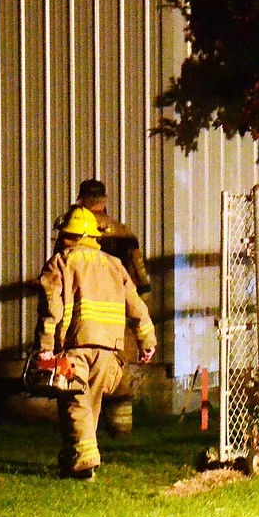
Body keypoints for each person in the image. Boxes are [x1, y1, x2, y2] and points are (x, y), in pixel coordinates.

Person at [34, 207, 156, 480]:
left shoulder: (61, 263)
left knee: (74, 401)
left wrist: (44, 346)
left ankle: (87, 459)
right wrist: (147, 340)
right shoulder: (113, 264)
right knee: (90, 403)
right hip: (110, 349)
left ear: (69, 236)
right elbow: (136, 306)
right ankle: (75, 457)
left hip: (74, 345)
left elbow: (51, 310)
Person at [56, 178, 153, 436]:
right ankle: (121, 428)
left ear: (81, 200)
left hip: (81, 316)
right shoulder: (124, 232)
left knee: (77, 379)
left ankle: (83, 435)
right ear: (105, 200)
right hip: (118, 312)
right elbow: (140, 279)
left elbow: (59, 274)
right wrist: (143, 325)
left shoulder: (73, 232)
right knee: (116, 369)